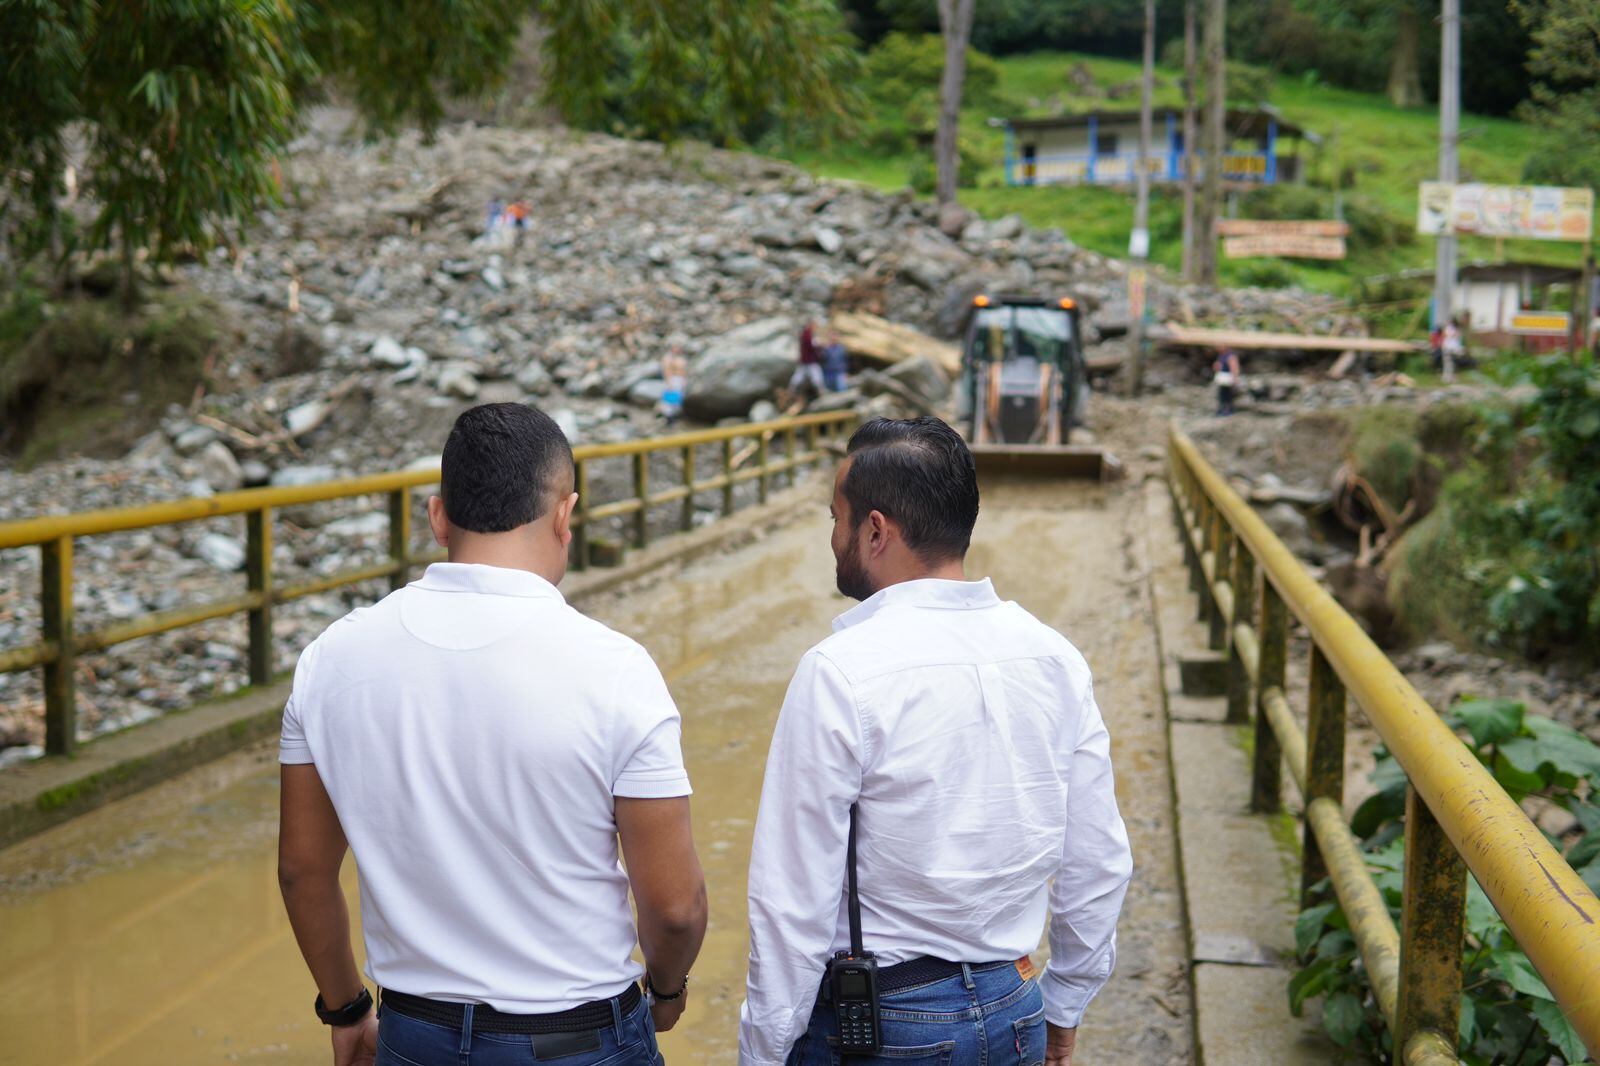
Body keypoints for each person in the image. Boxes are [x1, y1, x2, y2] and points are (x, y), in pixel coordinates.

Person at [278, 402, 706, 1066]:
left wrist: (347, 1009)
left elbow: (302, 871)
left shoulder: (329, 661)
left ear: (438, 514)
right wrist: (668, 988)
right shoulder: (615, 669)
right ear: (565, 515)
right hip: (579, 1036)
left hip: (414, 1034)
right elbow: (674, 908)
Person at [738, 417, 1132, 1066]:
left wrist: (763, 1052)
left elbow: (790, 904)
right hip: (1013, 1011)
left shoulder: (840, 671)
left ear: (874, 530)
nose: (832, 538)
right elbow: (1098, 862)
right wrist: (1063, 1005)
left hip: (883, 1026)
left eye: (836, 519)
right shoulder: (1055, 659)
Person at [789, 320, 825, 397]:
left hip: (805, 360)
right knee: (816, 375)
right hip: (809, 360)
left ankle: (792, 389)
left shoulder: (806, 334)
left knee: (799, 375)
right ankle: (820, 391)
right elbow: (811, 345)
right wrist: (818, 347)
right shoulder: (807, 334)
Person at [659, 346, 688, 425]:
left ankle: (674, 417)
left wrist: (684, 380)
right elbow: (666, 370)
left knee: (677, 399)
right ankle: (668, 418)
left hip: (679, 379)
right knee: (669, 400)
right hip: (672, 379)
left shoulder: (681, 358)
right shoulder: (669, 358)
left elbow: (683, 370)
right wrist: (669, 381)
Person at [1213, 346, 1241, 417]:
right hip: (1222, 379)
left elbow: (1234, 368)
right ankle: (1223, 410)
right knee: (1222, 395)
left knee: (1228, 395)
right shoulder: (1221, 355)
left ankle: (1228, 411)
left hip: (1228, 379)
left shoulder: (1230, 356)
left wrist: (1235, 380)